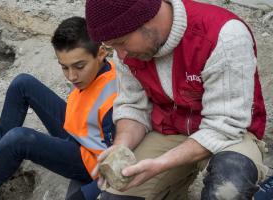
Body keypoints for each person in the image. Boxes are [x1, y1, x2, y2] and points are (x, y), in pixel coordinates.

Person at [85, 0, 268, 199]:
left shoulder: (224, 36)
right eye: (112, 46)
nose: (120, 55)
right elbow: (133, 107)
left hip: (230, 136)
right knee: (116, 196)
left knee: (227, 190)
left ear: (147, 19)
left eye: (121, 42)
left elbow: (223, 127)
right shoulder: (128, 52)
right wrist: (121, 147)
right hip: (171, 130)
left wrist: (160, 164)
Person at [0, 16, 116, 200]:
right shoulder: (93, 71)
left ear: (101, 53)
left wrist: (83, 195)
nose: (71, 76)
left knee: (19, 139)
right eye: (64, 67)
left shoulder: (114, 101)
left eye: (79, 66)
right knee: (22, 84)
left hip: (89, 160)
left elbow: (116, 167)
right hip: (78, 130)